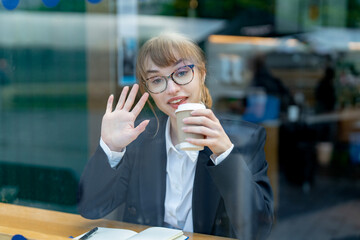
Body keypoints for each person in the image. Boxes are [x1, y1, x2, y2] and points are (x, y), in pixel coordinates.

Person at [77, 32, 274, 239]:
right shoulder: (139, 138)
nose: (171, 89)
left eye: (181, 73)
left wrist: (225, 154)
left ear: (202, 74)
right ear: (149, 90)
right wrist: (111, 148)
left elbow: (257, 231)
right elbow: (91, 208)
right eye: (156, 80)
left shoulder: (242, 140)